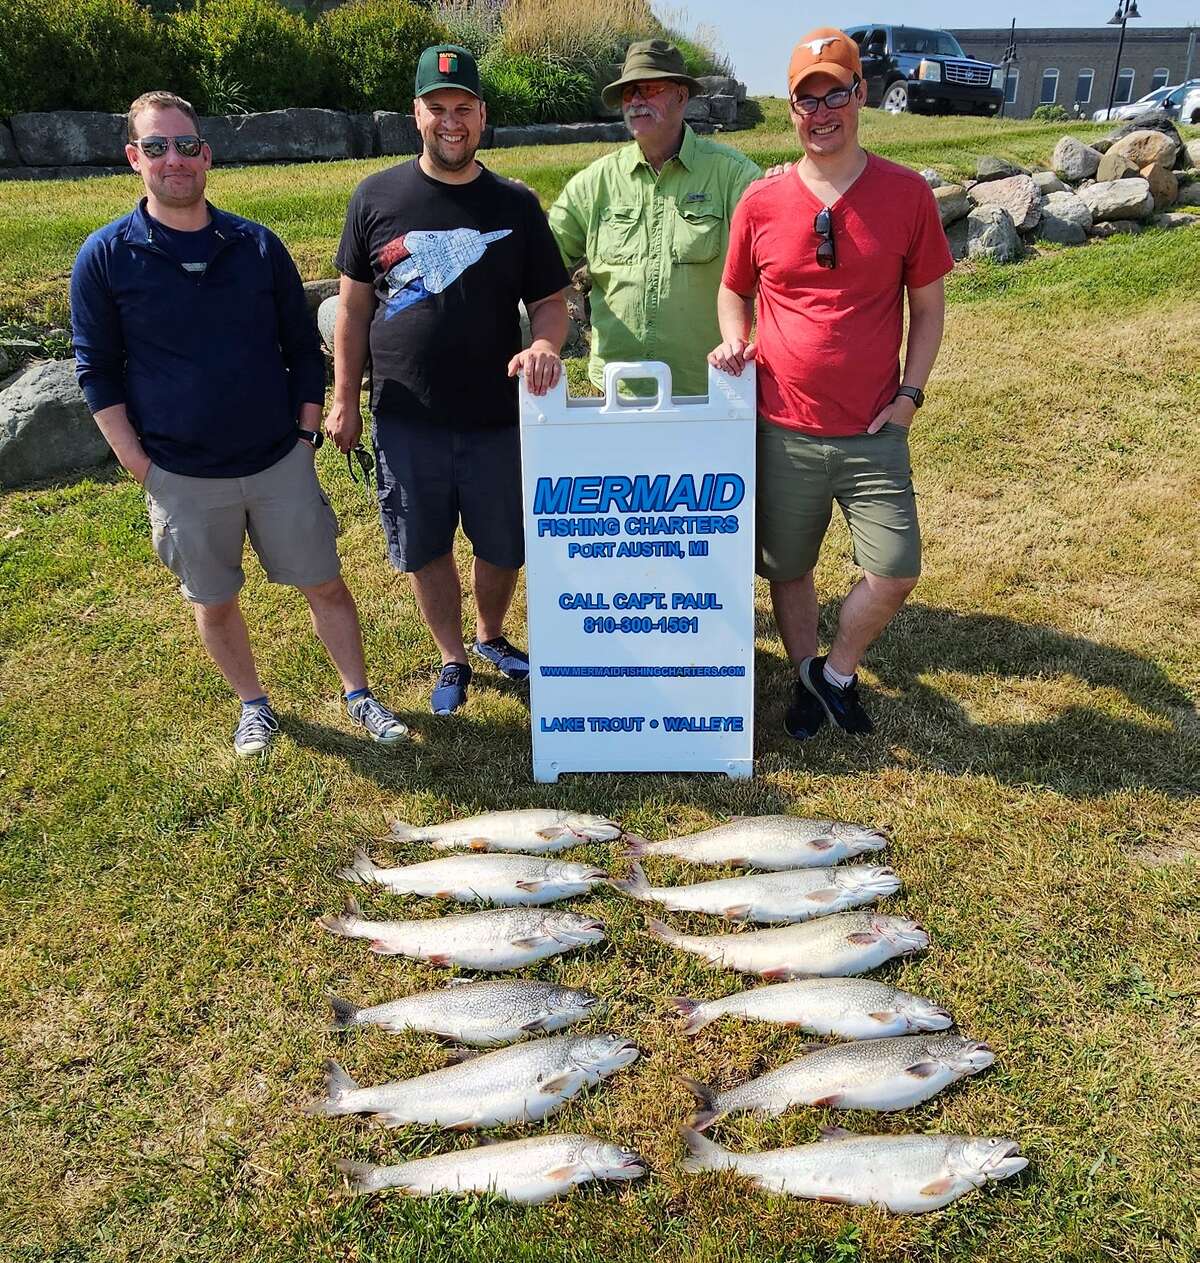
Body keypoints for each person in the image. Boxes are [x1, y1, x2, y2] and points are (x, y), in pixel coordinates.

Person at [70, 90, 408, 756]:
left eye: (187, 145)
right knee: (214, 597)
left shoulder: (255, 245)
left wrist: (306, 435)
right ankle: (254, 705)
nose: (175, 159)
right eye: (158, 146)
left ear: (207, 154)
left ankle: (360, 695)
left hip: (278, 459)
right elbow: (96, 373)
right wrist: (142, 466)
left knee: (326, 582)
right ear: (134, 157)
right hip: (182, 475)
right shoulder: (105, 258)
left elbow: (300, 348)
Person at [708, 29, 953, 739]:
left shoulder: (906, 194)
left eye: (834, 94)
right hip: (782, 424)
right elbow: (734, 292)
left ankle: (836, 672)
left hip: (874, 427)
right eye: (805, 100)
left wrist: (909, 397)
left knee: (896, 569)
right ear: (790, 110)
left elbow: (929, 309)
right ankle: (806, 675)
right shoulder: (761, 200)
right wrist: (735, 338)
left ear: (861, 96)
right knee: (789, 568)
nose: (821, 113)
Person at [325, 45, 569, 716]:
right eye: (438, 109)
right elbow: (352, 308)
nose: (451, 122)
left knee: (503, 544)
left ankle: (490, 634)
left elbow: (551, 300)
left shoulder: (515, 205)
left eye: (464, 108)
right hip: (406, 416)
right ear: (417, 114)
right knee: (426, 545)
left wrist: (546, 343)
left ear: (483, 115)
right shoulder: (375, 196)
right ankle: (451, 655)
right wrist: (345, 398)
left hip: (496, 415)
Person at [549, 39, 761, 399]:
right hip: (615, 397)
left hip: (705, 393)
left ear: (681, 96)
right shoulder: (595, 183)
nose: (635, 100)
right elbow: (541, 253)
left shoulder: (733, 176)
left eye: (648, 88)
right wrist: (515, 209)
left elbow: (780, 258)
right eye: (628, 92)